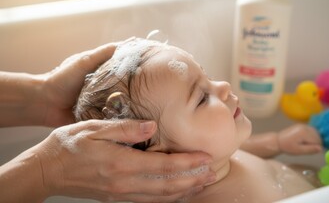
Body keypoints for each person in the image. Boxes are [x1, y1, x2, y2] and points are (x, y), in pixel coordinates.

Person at [74, 37, 323, 203]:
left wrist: (277, 142)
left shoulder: (217, 157)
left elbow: (243, 151)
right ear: (164, 159)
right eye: (202, 98)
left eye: (207, 76)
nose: (224, 86)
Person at [0, 41, 216, 203]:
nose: (224, 85)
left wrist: (44, 93)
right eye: (202, 99)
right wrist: (46, 170)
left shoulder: (227, 152)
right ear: (160, 156)